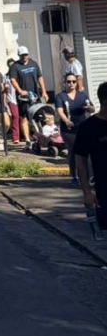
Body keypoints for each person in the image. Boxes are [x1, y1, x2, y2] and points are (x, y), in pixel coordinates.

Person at [74, 82, 107, 231]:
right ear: (104, 101)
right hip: (104, 191)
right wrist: (87, 192)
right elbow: (80, 160)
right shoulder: (88, 127)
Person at [56, 74, 94, 187]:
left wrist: (89, 108)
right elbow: (60, 111)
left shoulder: (82, 95)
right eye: (68, 82)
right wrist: (67, 121)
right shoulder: (61, 96)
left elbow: (92, 108)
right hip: (68, 130)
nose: (71, 84)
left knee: (86, 151)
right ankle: (74, 176)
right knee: (73, 151)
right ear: (65, 83)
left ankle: (90, 175)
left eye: (73, 81)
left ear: (76, 83)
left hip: (82, 128)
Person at [9, 46, 48, 148]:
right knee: (24, 117)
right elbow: (13, 80)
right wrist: (20, 91)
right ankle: (27, 139)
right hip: (24, 97)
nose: (24, 57)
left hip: (35, 95)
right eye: (22, 55)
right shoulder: (15, 66)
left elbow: (40, 77)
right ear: (19, 56)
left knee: (40, 116)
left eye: (25, 55)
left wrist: (44, 91)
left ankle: (42, 136)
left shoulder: (34, 64)